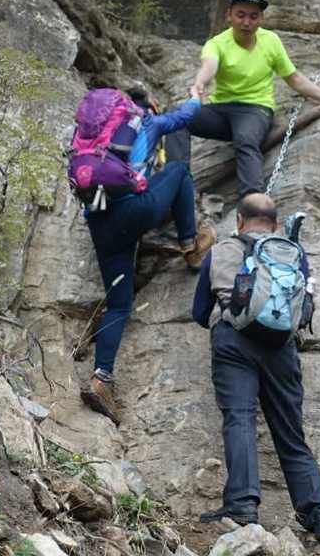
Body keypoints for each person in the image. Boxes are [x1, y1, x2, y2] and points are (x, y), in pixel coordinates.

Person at [190, 193, 320, 541]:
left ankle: (242, 504)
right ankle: (319, 514)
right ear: (275, 222)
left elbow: (198, 312)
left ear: (239, 220)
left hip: (233, 343)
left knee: (239, 418)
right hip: (281, 350)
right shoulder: (292, 254)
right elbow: (303, 308)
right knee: (290, 431)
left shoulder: (222, 250)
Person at [80, 89, 216, 425]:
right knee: (180, 171)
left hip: (99, 221)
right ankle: (191, 244)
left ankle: (102, 378)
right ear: (148, 105)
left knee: (119, 304)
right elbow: (185, 118)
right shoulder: (145, 119)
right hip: (134, 210)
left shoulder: (91, 133)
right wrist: (196, 96)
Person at [188, 0, 320, 199]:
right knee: (179, 118)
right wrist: (199, 84)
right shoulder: (217, 43)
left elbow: (294, 78)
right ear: (229, 16)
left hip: (255, 109)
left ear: (261, 18)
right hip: (221, 110)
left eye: (253, 16)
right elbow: (209, 66)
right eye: (241, 15)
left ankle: (253, 202)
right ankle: (176, 179)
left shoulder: (270, 41)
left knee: (245, 139)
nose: (247, 22)